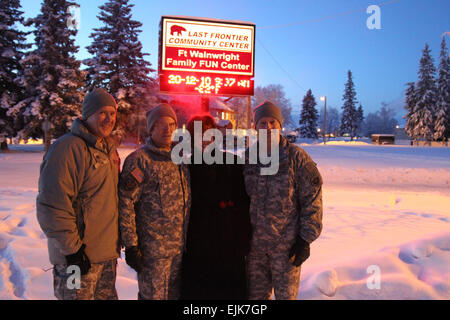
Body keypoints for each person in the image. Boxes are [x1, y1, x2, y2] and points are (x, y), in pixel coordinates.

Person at [36, 88, 121, 300]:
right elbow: (52, 206)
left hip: (106, 259)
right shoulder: (67, 149)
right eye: (102, 112)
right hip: (76, 261)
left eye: (112, 113)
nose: (109, 118)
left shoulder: (108, 150)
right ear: (87, 115)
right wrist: (73, 251)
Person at [243, 101, 323, 300]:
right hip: (254, 251)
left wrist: (305, 240)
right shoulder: (247, 158)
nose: (268, 127)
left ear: (280, 126)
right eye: (263, 123)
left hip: (286, 250)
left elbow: (312, 200)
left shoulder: (297, 158)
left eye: (272, 122)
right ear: (256, 127)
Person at [118, 103, 190, 300]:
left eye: (171, 124)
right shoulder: (140, 161)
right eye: (160, 124)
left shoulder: (180, 160)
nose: (167, 130)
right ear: (151, 128)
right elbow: (126, 204)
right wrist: (131, 246)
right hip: (153, 255)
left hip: (179, 252)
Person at [180, 114, 252, 300]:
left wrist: (244, 239)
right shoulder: (183, 167)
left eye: (207, 133)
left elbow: (244, 205)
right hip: (196, 249)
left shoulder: (233, 163)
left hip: (229, 248)